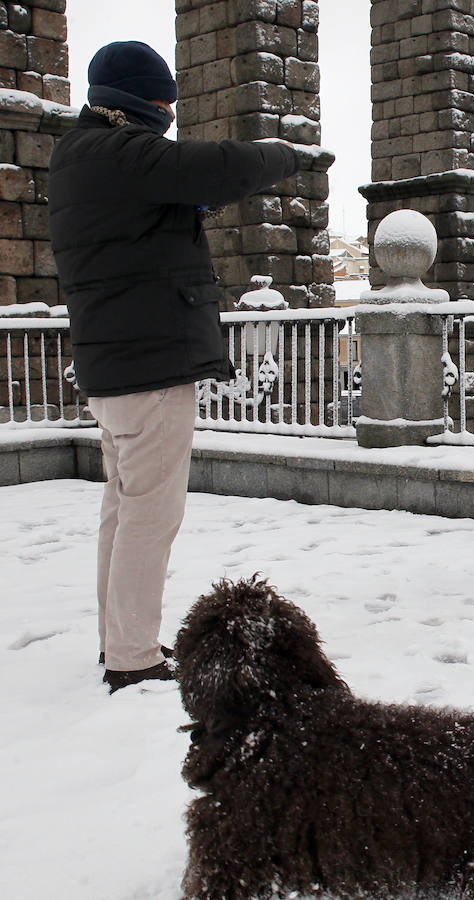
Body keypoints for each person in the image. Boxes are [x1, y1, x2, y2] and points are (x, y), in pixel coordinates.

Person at [48, 41, 301, 693]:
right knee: (150, 516)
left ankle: (119, 639)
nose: (170, 110)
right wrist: (286, 153)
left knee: (122, 508)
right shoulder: (124, 151)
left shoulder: (80, 155)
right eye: (165, 98)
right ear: (139, 98)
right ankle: (133, 657)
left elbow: (139, 225)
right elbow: (220, 166)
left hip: (113, 367)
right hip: (149, 368)